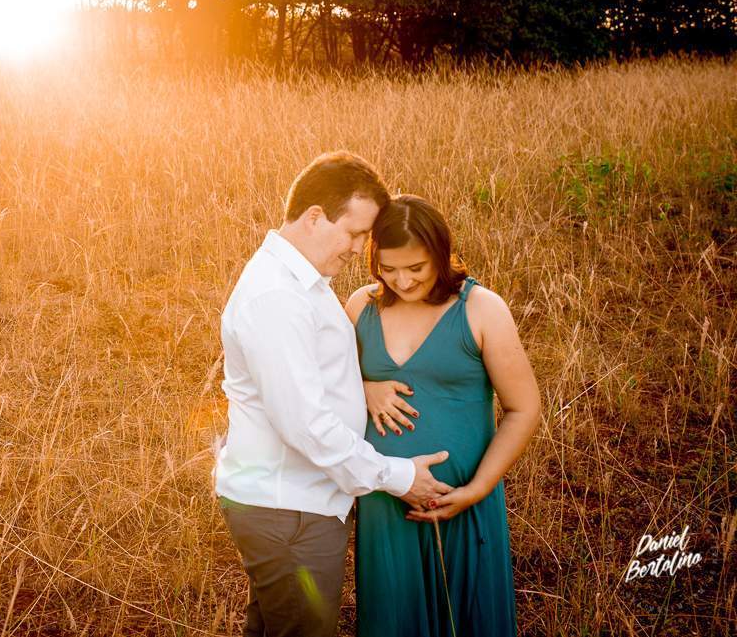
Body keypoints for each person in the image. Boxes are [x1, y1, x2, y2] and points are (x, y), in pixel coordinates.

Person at [214, 152, 453, 637]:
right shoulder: (277, 296)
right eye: (354, 233)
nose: (358, 248)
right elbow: (305, 425)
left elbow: (303, 379)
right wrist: (398, 475)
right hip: (290, 511)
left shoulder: (303, 283)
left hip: (295, 507)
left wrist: (358, 387)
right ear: (315, 217)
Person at [344, 194, 540, 637]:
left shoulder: (481, 308)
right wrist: (362, 387)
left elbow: (524, 408)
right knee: (394, 618)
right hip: (385, 500)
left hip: (464, 500)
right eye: (388, 268)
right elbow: (318, 394)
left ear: (440, 253)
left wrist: (478, 489)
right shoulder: (360, 308)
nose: (402, 280)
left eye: (416, 267)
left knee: (470, 618)